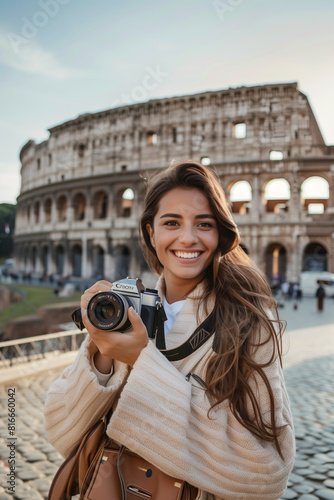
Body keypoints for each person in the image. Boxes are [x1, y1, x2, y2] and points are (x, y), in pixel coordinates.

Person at [44, 160, 295, 500]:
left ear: (220, 233)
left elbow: (267, 473)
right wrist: (103, 355)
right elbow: (61, 434)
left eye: (204, 224)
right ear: (151, 232)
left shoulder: (251, 322)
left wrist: (141, 360)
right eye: (172, 222)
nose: (187, 238)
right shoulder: (125, 314)